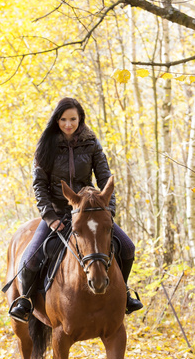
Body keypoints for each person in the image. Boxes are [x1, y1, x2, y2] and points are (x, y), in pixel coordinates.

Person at [10, 97, 143, 323]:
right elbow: (39, 186)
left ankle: (126, 295)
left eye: (73, 119)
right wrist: (50, 217)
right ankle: (26, 301)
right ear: (57, 120)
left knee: (128, 247)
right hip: (57, 213)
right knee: (31, 258)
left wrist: (107, 210)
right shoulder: (46, 146)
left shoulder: (91, 143)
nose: (69, 124)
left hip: (88, 212)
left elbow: (105, 177)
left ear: (80, 118)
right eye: (63, 119)